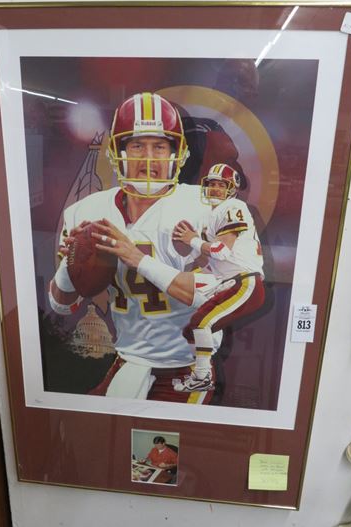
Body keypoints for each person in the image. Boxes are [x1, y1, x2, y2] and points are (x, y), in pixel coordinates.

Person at [49, 92, 220, 403]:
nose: (148, 158)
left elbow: (219, 296)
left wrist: (137, 258)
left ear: (177, 153)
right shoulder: (87, 211)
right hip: (129, 360)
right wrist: (70, 264)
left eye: (160, 146)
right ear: (119, 152)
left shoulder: (206, 207)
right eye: (137, 145)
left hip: (187, 365)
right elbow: (62, 305)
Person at [94, 162, 265, 392]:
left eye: (221, 185)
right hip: (225, 280)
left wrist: (192, 240)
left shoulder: (233, 206)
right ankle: (199, 373)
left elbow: (221, 251)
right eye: (211, 184)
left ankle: (203, 377)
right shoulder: (211, 214)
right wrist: (189, 250)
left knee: (201, 323)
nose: (215, 189)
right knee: (191, 330)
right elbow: (207, 262)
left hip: (244, 281)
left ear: (232, 188)